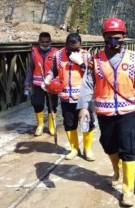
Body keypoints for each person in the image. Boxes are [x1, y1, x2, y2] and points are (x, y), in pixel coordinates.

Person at [77, 17, 135, 206]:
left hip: (128, 111)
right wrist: (84, 107)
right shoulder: (96, 60)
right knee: (108, 145)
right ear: (103, 37)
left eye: (117, 37)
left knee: (128, 148)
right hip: (104, 111)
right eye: (109, 37)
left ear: (123, 37)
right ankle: (116, 169)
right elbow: (87, 84)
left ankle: (128, 191)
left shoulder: (134, 58)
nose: (113, 41)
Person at [44, 33, 95, 161]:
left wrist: (81, 64)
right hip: (66, 96)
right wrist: (48, 78)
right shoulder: (58, 55)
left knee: (85, 123)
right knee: (69, 124)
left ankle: (87, 149)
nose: (74, 51)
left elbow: (92, 74)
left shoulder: (86, 55)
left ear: (81, 45)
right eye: (71, 49)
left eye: (76, 48)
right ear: (66, 45)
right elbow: (53, 70)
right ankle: (74, 149)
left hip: (83, 98)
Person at [24, 32, 58, 136]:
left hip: (51, 84)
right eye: (42, 42)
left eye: (47, 42)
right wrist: (27, 83)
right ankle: (40, 125)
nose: (45, 44)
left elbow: (59, 69)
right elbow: (31, 68)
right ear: (39, 41)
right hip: (37, 83)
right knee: (37, 104)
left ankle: (52, 125)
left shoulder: (56, 53)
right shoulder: (34, 52)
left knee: (52, 105)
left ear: (50, 42)